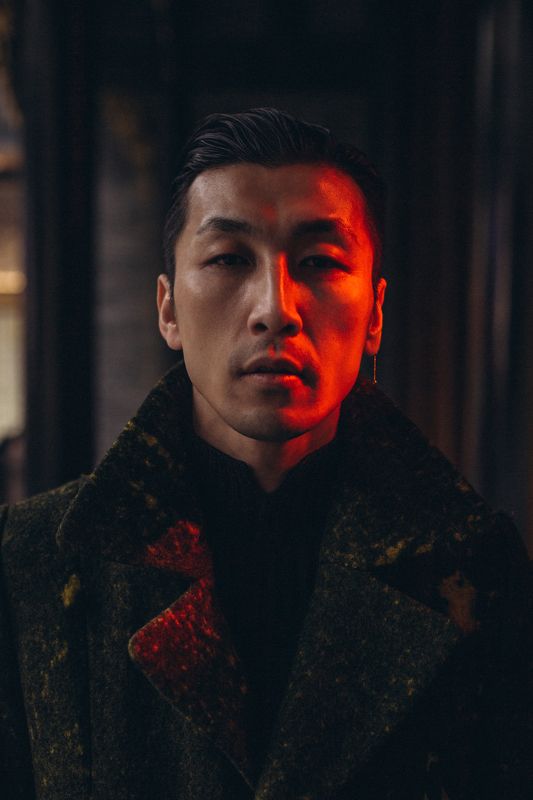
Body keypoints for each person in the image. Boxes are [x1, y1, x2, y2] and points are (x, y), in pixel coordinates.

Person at [1, 108, 531, 800]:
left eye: (319, 263)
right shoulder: (33, 563)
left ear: (374, 314)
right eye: (229, 259)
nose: (275, 309)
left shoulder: (474, 570)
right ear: (167, 309)